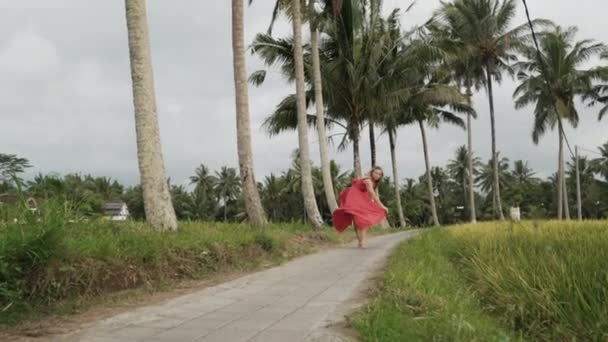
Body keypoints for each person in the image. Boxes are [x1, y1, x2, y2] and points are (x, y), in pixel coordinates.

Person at [333, 166, 389, 248]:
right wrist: (382, 206)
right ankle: (361, 241)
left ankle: (360, 241)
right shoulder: (368, 181)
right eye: (376, 173)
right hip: (353, 196)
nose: (377, 175)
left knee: (362, 220)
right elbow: (372, 193)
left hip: (361, 197)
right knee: (358, 219)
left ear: (381, 176)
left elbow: (367, 192)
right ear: (372, 173)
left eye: (379, 174)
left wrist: (371, 201)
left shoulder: (373, 181)